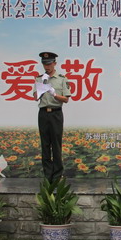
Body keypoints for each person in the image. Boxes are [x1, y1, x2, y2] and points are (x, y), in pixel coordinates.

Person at [33, 52, 71, 182]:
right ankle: (47, 175)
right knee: (45, 145)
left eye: (49, 64)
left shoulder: (61, 79)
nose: (47, 66)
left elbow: (66, 99)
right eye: (44, 64)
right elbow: (35, 97)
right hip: (43, 113)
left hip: (56, 113)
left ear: (54, 63)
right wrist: (42, 86)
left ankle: (57, 175)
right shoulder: (39, 78)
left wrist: (54, 94)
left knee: (56, 144)